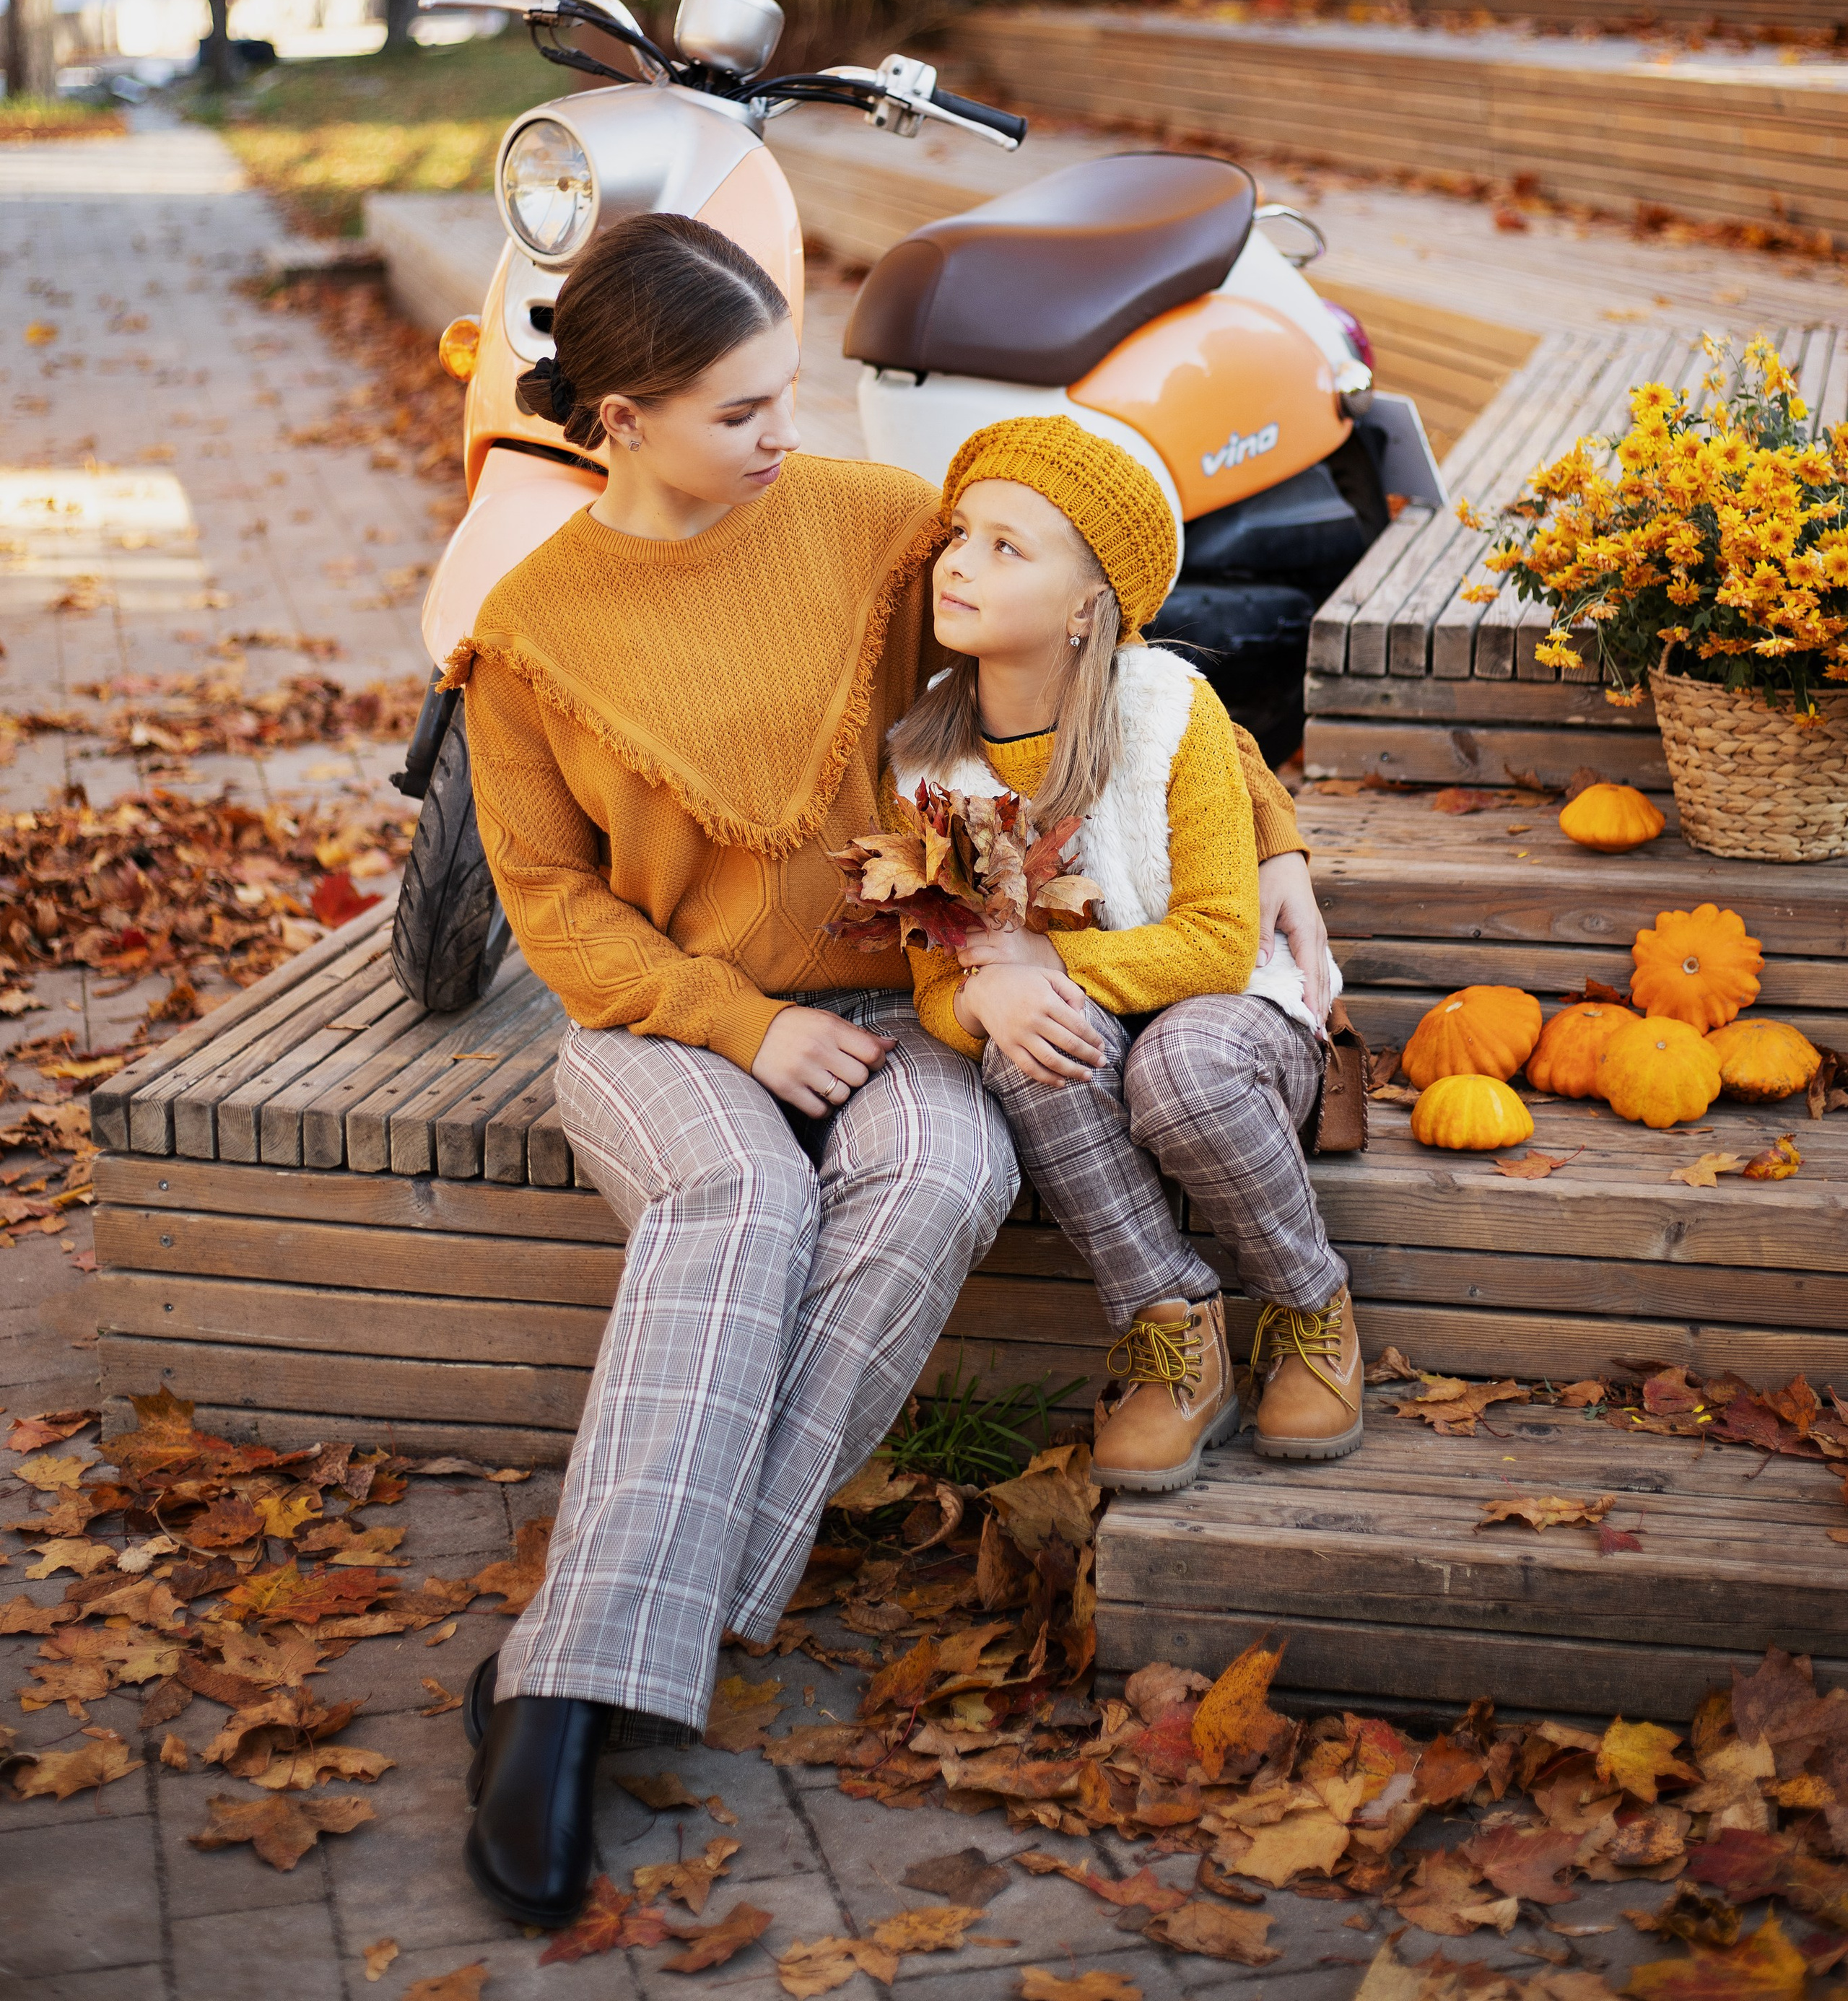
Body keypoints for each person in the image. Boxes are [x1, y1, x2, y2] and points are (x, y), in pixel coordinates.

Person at [443, 214, 1335, 1927]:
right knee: (732, 1197)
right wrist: (737, 1025)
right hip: (664, 1022)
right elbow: (550, 904)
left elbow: (1106, 649)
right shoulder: (531, 627)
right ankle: (564, 1709)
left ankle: (605, 1643)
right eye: (741, 410)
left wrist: (1272, 835)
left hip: (902, 991)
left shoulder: (859, 527)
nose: (791, 434)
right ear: (618, 422)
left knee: (941, 1173)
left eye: (789, 391)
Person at [883, 416, 1364, 1501]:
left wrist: (1025, 973)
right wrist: (981, 1001)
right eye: (960, 533)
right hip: (1089, 1048)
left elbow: (1215, 941)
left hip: (1233, 1016)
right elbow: (935, 985)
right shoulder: (930, 760)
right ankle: (1171, 1330)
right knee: (1023, 1045)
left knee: (1176, 1069)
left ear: (1090, 606)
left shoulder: (1167, 715)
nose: (958, 561)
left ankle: (1308, 1302)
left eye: (1010, 547)